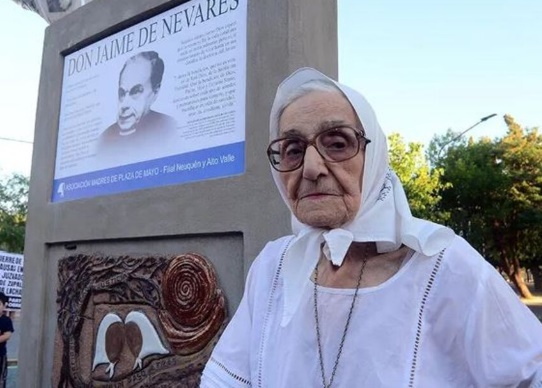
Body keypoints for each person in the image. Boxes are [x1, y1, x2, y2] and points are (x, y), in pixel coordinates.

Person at [200, 67, 542, 387]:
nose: (311, 168)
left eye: (337, 143)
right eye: (292, 149)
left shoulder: (441, 264)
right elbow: (226, 379)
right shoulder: (273, 267)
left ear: (374, 157)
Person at [96, 51, 178, 166]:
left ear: (155, 91)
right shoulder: (104, 139)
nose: (124, 104)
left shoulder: (169, 128)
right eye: (122, 93)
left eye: (136, 91)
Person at [0, 292, 13, 388]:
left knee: (1, 379)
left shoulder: (6, 320)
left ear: (4, 306)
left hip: (0, 356)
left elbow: (7, 335)